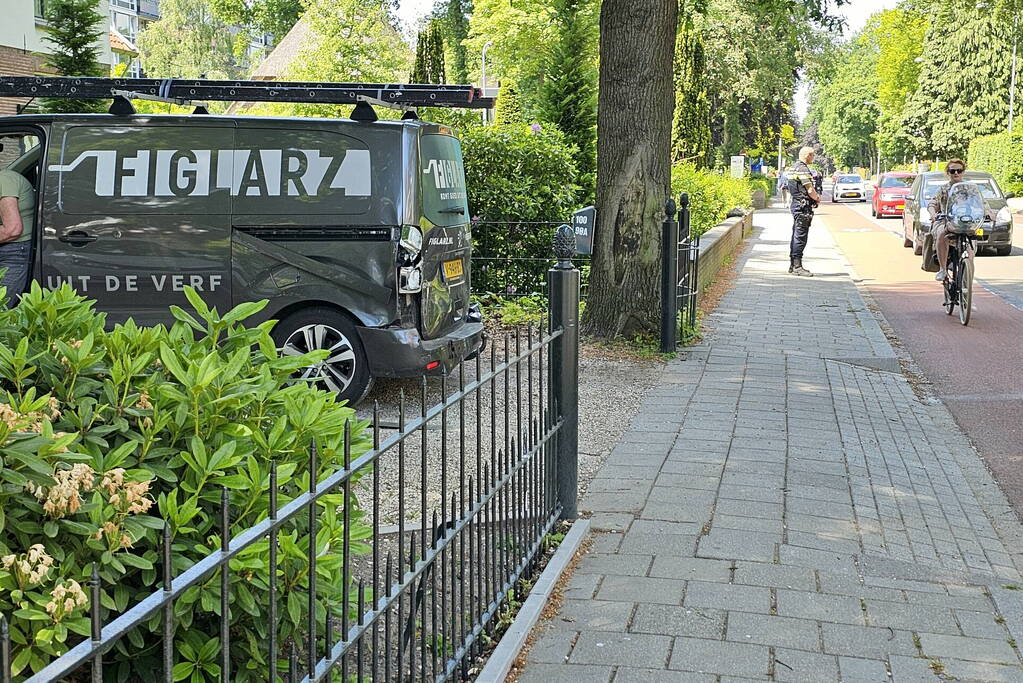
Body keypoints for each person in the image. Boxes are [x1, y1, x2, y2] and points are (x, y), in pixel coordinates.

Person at [0, 162, 35, 304]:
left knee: (2, 307)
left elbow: (12, 229)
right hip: (10, 249)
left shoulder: (4, 180)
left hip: (14, 251)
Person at [785, 146, 821, 276]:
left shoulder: (793, 167)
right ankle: (797, 267)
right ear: (808, 155)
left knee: (795, 235)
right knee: (800, 236)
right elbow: (809, 189)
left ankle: (792, 264)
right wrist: (817, 199)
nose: (814, 158)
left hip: (796, 204)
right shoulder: (803, 169)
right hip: (802, 206)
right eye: (813, 155)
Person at [929, 159, 966, 282]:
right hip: (946, 221)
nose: (956, 173)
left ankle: (967, 273)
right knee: (941, 233)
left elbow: (981, 203)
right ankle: (943, 269)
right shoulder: (943, 189)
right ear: (948, 173)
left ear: (963, 172)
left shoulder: (969, 189)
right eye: (952, 171)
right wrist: (933, 214)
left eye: (959, 170)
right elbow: (933, 203)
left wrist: (989, 213)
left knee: (973, 239)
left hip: (965, 222)